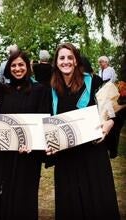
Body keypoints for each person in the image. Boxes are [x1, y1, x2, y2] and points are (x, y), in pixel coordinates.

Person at [46, 43, 120, 219]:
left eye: (70, 57)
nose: (66, 61)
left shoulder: (93, 82)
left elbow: (112, 112)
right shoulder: (50, 90)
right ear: (56, 62)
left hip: (93, 156)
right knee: (70, 206)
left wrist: (109, 124)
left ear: (76, 60)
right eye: (62, 58)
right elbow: (46, 122)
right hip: (66, 159)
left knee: (98, 204)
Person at [0, 50, 51, 220]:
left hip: (29, 154)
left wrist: (32, 143)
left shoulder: (40, 90)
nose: (17, 68)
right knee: (5, 194)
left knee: (26, 195)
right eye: (14, 65)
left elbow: (43, 118)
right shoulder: (3, 91)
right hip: (5, 153)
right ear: (9, 68)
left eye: (21, 65)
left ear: (28, 66)